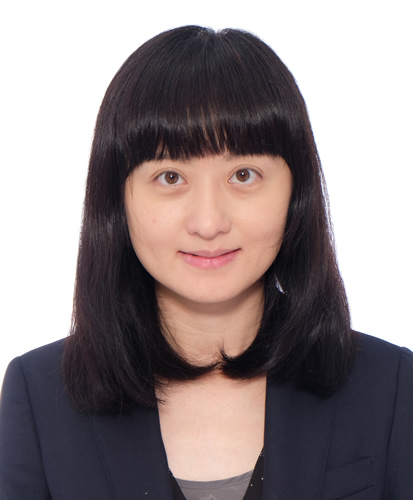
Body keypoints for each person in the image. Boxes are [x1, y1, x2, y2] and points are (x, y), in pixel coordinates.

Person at [0, 25, 412, 500]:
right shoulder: (40, 397)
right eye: (170, 177)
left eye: (244, 174)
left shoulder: (391, 387)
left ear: (295, 192)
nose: (209, 222)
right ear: (118, 200)